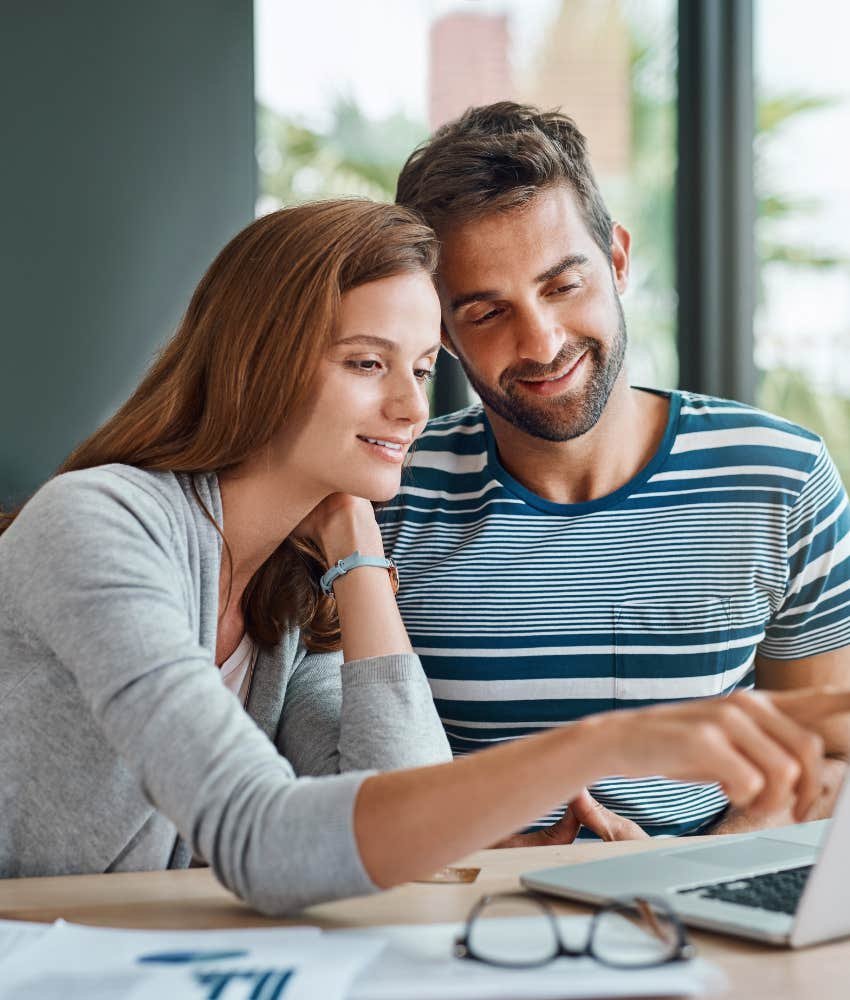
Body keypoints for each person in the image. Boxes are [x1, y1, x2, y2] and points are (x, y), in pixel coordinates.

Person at [2, 199, 849, 918]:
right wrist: (601, 744)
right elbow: (260, 836)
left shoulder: (289, 591)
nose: (412, 407)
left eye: (419, 366)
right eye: (367, 364)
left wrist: (357, 552)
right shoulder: (97, 523)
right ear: (255, 362)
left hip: (147, 959)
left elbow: (389, 811)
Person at [388, 102, 850, 844]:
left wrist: (677, 873)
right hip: (458, 917)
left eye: (563, 286)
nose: (540, 341)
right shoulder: (388, 497)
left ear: (619, 259)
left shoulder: (782, 478)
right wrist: (510, 862)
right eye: (486, 312)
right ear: (442, 332)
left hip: (704, 918)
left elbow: (826, 755)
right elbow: (345, 782)